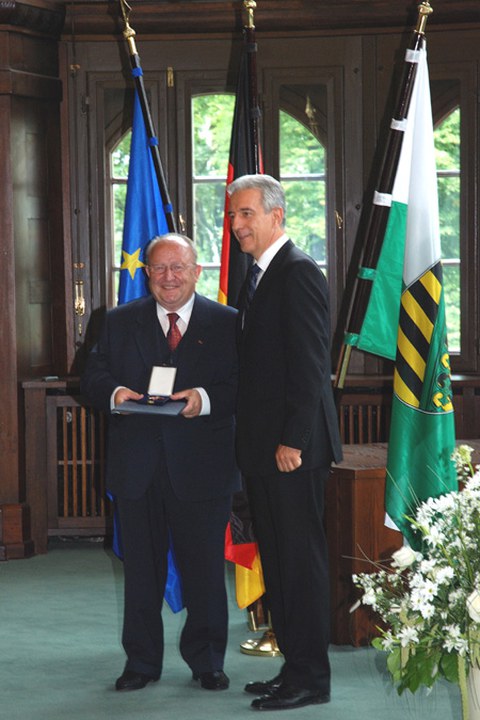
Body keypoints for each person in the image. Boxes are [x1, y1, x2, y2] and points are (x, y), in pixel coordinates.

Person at [81, 233, 240, 693]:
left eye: (178, 268)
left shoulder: (228, 322)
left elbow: (243, 384)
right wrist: (115, 393)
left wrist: (203, 399)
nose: (169, 278)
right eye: (159, 269)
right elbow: (92, 375)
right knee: (142, 572)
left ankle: (208, 660)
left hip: (203, 468)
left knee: (205, 572)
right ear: (146, 273)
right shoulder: (116, 320)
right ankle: (142, 663)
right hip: (138, 468)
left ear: (197, 272)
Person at [227, 174, 343, 711]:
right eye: (233, 216)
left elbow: (311, 364)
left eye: (247, 214)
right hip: (264, 451)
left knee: (300, 564)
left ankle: (311, 681)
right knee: (278, 562)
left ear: (277, 215)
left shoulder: (296, 272)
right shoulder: (260, 276)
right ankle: (292, 668)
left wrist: (293, 440)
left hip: (292, 452)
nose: (237, 226)